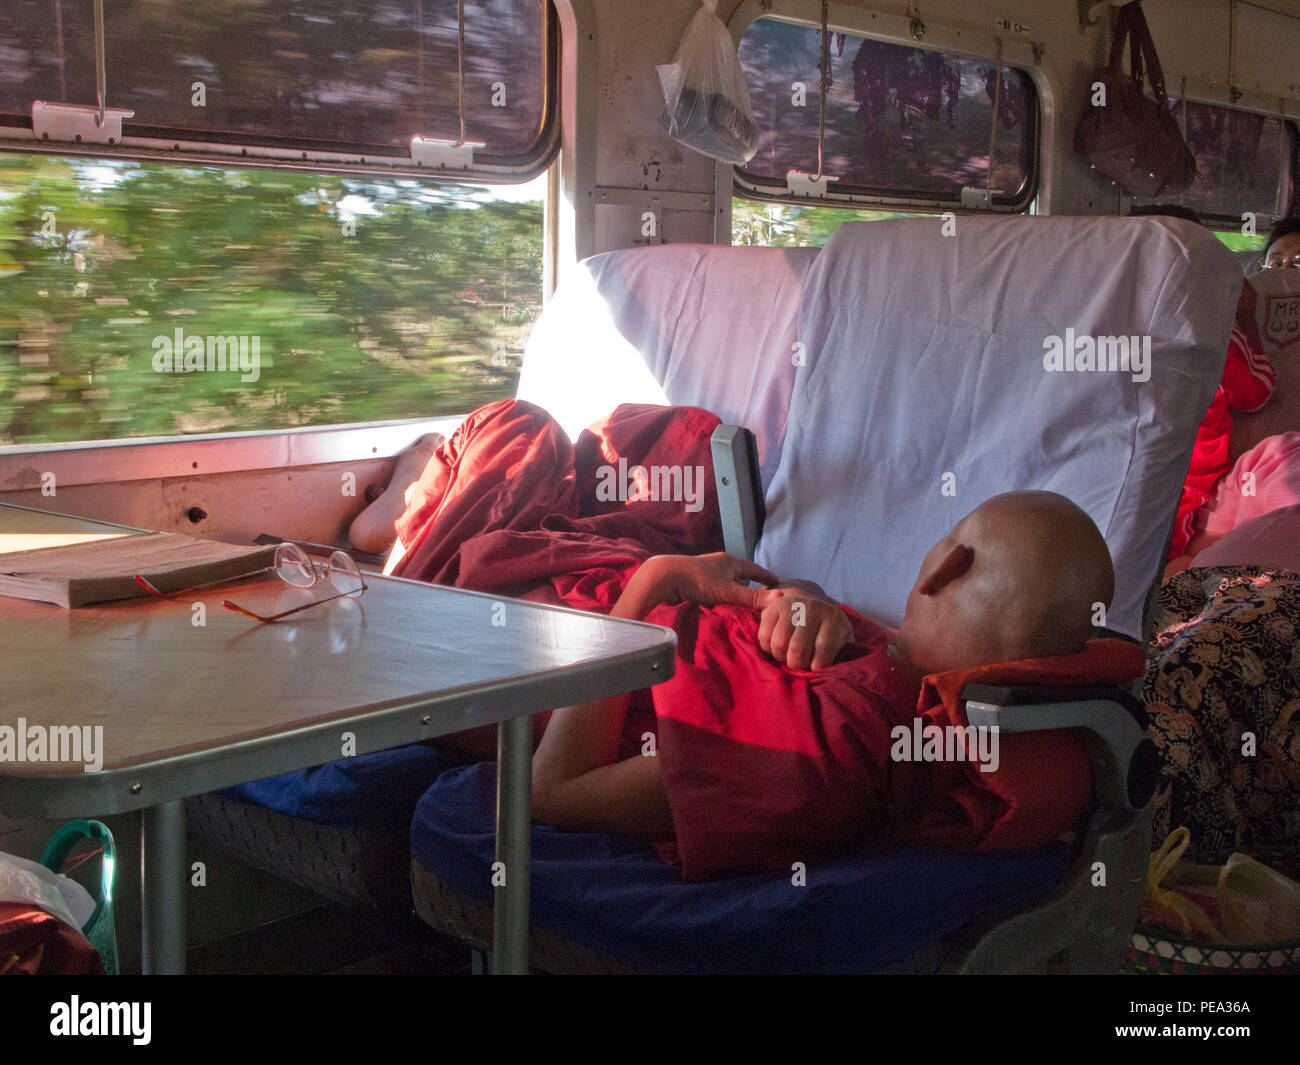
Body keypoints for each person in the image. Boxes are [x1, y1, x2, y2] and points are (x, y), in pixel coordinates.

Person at [526, 489, 1116, 842]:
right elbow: (814, 618)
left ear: (945, 568)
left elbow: (554, 793)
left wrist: (658, 577)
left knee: (516, 441)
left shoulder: (832, 743)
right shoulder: (902, 670)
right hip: (622, 599)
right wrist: (803, 598)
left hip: (559, 637)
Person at [1128, 207, 1279, 573]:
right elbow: (1257, 391)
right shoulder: (1210, 327)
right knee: (1160, 546)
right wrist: (1243, 315)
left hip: (1106, 476)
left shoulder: (1086, 327)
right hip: (1175, 485)